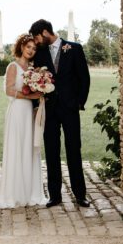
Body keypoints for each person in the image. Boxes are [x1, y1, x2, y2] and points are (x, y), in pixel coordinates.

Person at [0, 33, 48, 211]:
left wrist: (38, 96)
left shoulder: (33, 69)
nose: (31, 50)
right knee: (16, 147)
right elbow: (9, 90)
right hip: (17, 111)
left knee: (28, 147)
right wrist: (31, 95)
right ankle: (14, 193)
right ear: (21, 47)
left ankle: (30, 192)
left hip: (29, 112)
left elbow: (33, 89)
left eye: (34, 48)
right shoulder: (13, 66)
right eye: (28, 47)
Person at [30, 19, 91, 208]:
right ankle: (54, 195)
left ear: (45, 32)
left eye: (37, 37)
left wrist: (79, 103)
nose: (37, 42)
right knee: (52, 151)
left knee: (74, 149)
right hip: (49, 109)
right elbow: (34, 79)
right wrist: (37, 105)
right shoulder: (40, 53)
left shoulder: (74, 48)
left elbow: (84, 78)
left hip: (70, 109)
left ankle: (80, 195)